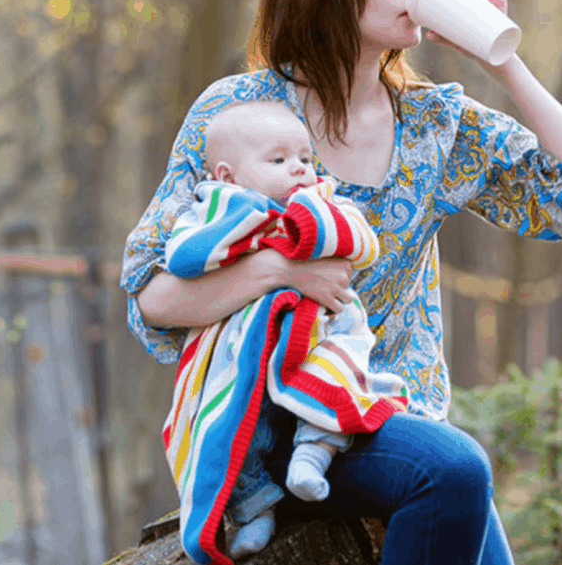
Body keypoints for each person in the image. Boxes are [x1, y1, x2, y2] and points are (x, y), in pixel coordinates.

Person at [120, 0, 562, 564]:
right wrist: (280, 269)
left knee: (451, 471)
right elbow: (150, 294)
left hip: (398, 419)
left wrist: (501, 58)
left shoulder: (435, 124)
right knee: (453, 469)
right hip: (280, 422)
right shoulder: (239, 115)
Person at [163, 103, 411, 558]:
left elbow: (363, 243)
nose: (298, 168)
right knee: (238, 427)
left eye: (304, 157)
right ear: (228, 175)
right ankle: (256, 509)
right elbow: (184, 257)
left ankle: (314, 454)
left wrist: (303, 223)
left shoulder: (322, 203)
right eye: (278, 161)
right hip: (248, 353)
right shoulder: (217, 211)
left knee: (336, 380)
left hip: (320, 336)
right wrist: (252, 226)